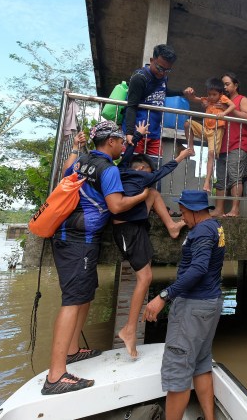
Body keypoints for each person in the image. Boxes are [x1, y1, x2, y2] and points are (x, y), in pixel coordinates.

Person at [43, 121, 150, 395]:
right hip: (78, 240)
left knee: (86, 294)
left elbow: (66, 172)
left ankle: (72, 351)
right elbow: (116, 205)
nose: (123, 145)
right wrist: (142, 195)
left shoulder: (83, 160)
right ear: (111, 141)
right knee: (73, 300)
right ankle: (56, 376)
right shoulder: (109, 169)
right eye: (120, 141)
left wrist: (77, 148)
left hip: (74, 236)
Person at [112, 120, 195, 358]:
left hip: (138, 228)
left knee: (154, 193)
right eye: (148, 173)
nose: (150, 176)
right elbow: (164, 169)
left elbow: (126, 154)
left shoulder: (122, 170)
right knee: (145, 278)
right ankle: (129, 330)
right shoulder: (142, 179)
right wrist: (180, 156)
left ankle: (171, 226)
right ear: (141, 171)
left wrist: (136, 137)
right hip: (128, 231)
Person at [142, 190, 226, 420]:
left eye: (184, 212)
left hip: (193, 306)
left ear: (195, 210)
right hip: (210, 304)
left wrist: (164, 295)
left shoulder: (201, 232)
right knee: (201, 363)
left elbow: (198, 269)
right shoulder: (215, 227)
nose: (182, 217)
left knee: (178, 370)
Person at [123, 44, 194, 156]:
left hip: (154, 133)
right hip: (137, 131)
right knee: (132, 168)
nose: (162, 73)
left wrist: (182, 92)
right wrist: (129, 133)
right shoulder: (140, 78)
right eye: (160, 68)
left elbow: (163, 92)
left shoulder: (164, 77)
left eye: (167, 70)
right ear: (152, 60)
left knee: (154, 168)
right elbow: (131, 106)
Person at [184, 77, 236, 193]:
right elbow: (194, 99)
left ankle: (207, 182)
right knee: (188, 124)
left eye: (214, 94)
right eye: (209, 94)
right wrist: (190, 93)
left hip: (216, 131)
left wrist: (224, 113)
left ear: (220, 93)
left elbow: (233, 106)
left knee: (211, 154)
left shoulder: (222, 99)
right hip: (206, 129)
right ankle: (191, 148)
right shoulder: (207, 100)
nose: (211, 97)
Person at [214, 73, 247, 217]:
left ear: (235, 85)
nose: (224, 87)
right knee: (220, 179)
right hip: (222, 145)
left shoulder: (242, 99)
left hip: (238, 143)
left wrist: (230, 109)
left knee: (235, 177)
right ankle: (219, 210)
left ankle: (235, 210)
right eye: (222, 84)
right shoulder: (221, 100)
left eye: (227, 84)